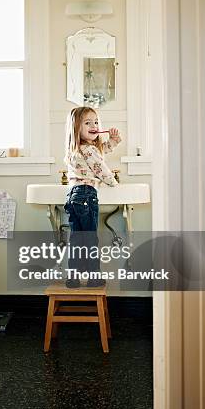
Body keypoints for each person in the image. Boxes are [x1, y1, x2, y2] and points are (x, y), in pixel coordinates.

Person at [63, 106, 121, 288]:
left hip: (73, 196)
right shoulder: (89, 151)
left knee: (76, 239)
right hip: (87, 195)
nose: (94, 125)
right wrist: (113, 182)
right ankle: (94, 277)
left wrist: (113, 141)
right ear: (76, 128)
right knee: (90, 240)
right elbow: (100, 168)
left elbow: (99, 152)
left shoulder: (78, 149)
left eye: (96, 122)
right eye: (87, 123)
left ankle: (73, 278)